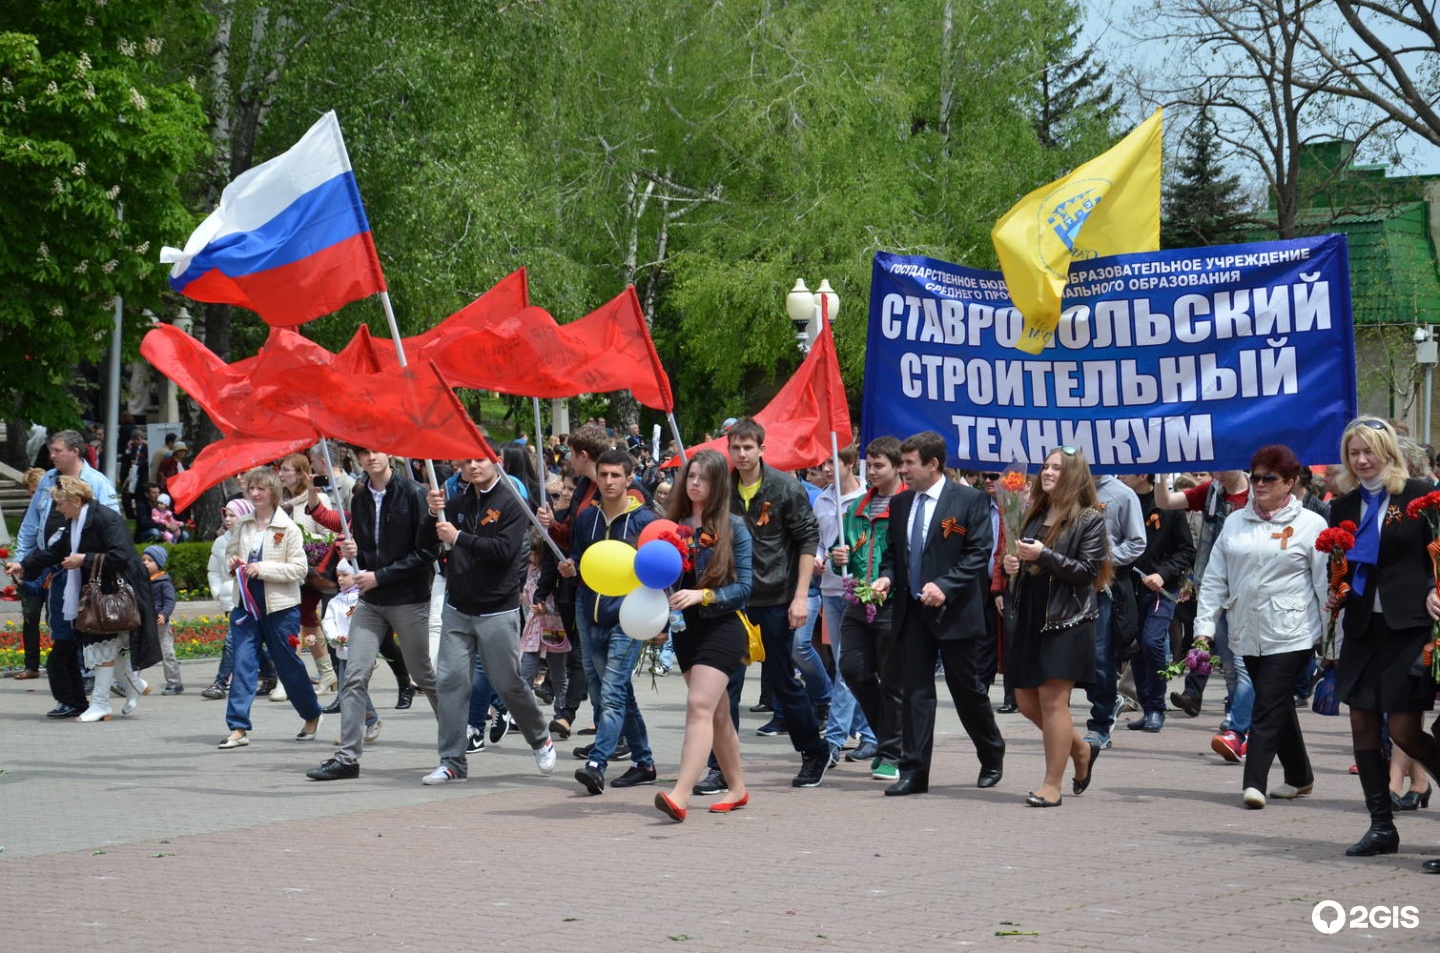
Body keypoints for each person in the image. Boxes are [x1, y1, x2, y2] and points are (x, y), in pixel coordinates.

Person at [1328, 418, 1440, 857]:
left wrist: (1437, 587)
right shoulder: (1343, 504)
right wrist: (1336, 590)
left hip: (1408, 625)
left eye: (1368, 452)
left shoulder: (1418, 494)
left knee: (1405, 730)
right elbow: (1340, 563)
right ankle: (1381, 827)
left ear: (1388, 452)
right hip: (1362, 626)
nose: (1361, 461)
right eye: (1354, 453)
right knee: (1362, 722)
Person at [872, 431, 1005, 795]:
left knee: (967, 692)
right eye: (901, 463)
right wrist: (886, 578)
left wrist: (944, 586)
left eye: (910, 464)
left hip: (955, 614)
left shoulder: (968, 500)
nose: (903, 471)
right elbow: (893, 554)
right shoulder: (901, 505)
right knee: (916, 691)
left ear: (933, 464)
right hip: (911, 612)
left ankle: (991, 750)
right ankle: (914, 771)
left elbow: (978, 554)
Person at [1194, 445, 1326, 809]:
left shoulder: (1311, 525)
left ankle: (1254, 782)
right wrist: (1203, 630)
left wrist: (1332, 644)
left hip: (1294, 631)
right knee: (1278, 705)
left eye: (1270, 478)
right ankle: (1300, 777)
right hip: (1246, 632)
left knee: (1267, 704)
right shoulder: (1236, 521)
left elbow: (1325, 586)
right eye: (1255, 476)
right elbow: (1215, 579)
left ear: (1290, 483)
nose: (1260, 483)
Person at [703, 419, 829, 793]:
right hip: (733, 600)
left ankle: (813, 752)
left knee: (783, 682)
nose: (741, 455)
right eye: (735, 448)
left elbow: (808, 540)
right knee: (726, 687)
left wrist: (801, 596)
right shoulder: (722, 487)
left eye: (748, 448)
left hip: (776, 598)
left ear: (761, 448)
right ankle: (720, 766)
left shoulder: (785, 487)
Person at [417, 451, 558, 784]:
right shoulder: (458, 500)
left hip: (498, 608)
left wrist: (460, 538)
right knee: (450, 682)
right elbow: (427, 542)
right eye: (465, 462)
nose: (473, 467)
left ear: (496, 461)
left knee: (507, 682)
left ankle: (540, 737)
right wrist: (430, 512)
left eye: (479, 460)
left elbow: (504, 551)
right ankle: (452, 761)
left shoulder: (512, 501)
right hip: (458, 606)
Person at [304, 448, 438, 780]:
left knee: (423, 675)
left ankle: (453, 741)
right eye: (363, 453)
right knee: (354, 675)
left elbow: (427, 553)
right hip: (370, 601)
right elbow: (365, 550)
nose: (371, 458)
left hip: (408, 598)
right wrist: (355, 554)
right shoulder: (361, 497)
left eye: (376, 451)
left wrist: (380, 575)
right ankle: (348, 758)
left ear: (389, 453)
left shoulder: (414, 494)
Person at [1000, 447, 1110, 806]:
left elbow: (1087, 572)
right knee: (1025, 700)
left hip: (1067, 618)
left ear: (1074, 474)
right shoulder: (1033, 512)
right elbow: (1021, 561)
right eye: (1045, 466)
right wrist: (1012, 564)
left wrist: (1043, 556)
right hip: (1031, 615)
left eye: (1056, 468)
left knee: (1052, 701)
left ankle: (1052, 785)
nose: (1047, 472)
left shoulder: (1090, 518)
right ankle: (1080, 749)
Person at [7, 476, 160, 722]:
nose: (57, 509)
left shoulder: (105, 518)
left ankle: (102, 703)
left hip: (115, 593)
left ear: (76, 500)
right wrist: (23, 565)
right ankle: (131, 687)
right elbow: (55, 551)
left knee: (102, 646)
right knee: (105, 647)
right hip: (99, 592)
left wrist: (84, 560)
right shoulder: (76, 520)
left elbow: (122, 555)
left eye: (60, 503)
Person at [653, 449, 754, 821]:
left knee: (699, 706)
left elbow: (745, 588)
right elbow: (658, 582)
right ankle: (738, 787)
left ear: (718, 484)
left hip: (723, 626)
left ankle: (680, 794)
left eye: (704, 478)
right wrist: (658, 622)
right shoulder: (670, 525)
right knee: (718, 713)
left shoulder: (733, 527)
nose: (695, 483)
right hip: (685, 630)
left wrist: (704, 594)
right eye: (691, 476)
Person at [565, 448, 660, 794]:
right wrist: (569, 568)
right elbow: (580, 559)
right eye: (602, 475)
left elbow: (660, 571)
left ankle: (597, 763)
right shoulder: (585, 519)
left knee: (613, 693)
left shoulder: (644, 521)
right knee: (609, 690)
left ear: (629, 479)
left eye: (615, 475)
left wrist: (661, 621)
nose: (607, 481)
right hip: (589, 612)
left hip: (628, 617)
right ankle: (644, 762)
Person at [14, 430, 121, 718]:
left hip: (83, 574)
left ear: (76, 451)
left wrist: (85, 558)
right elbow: (30, 524)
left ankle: (92, 694)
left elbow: (113, 532)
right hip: (53, 569)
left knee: (76, 636)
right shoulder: (48, 479)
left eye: (58, 450)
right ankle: (81, 698)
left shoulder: (98, 483)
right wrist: (23, 562)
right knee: (60, 630)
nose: (52, 456)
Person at [217, 466, 324, 750]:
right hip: (246, 608)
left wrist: (261, 568)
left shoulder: (287, 527)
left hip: (280, 609)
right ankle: (238, 727)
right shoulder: (242, 524)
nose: (254, 493)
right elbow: (230, 557)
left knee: (289, 666)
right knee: (242, 664)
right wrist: (232, 565)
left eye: (260, 488)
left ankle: (312, 714)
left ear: (273, 491)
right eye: (251, 488)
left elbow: (299, 570)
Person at [831, 435, 907, 782]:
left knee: (893, 680)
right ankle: (891, 738)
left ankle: (891, 752)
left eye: (880, 466)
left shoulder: (908, 504)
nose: (873, 471)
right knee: (853, 670)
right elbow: (839, 554)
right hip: (859, 602)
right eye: (870, 465)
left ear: (896, 467)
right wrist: (837, 558)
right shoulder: (855, 509)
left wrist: (890, 582)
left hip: (893, 604)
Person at [1118, 473, 1195, 733]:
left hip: (1160, 591)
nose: (1121, 476)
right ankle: (1148, 706)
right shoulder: (1120, 500)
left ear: (1142, 474)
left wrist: (1163, 574)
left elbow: (1186, 550)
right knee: (1135, 648)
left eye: (1127, 471)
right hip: (1127, 589)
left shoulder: (1167, 505)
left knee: (1152, 642)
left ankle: (1157, 707)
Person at [277, 452, 339, 700]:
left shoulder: (317, 496)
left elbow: (329, 534)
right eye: (280, 470)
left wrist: (306, 545)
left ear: (302, 474)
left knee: (306, 618)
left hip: (313, 569)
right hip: (291, 570)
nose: (281, 474)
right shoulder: (282, 502)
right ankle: (326, 673)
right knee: (304, 619)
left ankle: (322, 673)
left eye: (286, 470)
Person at [202, 498, 277, 699]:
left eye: (233, 515)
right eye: (226, 515)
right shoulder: (220, 542)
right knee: (245, 639)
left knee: (233, 640)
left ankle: (219, 683)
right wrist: (218, 591)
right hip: (232, 597)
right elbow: (214, 570)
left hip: (254, 598)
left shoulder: (256, 537)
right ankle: (270, 674)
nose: (228, 519)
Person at [143, 545, 182, 695]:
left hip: (161, 625)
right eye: (144, 559)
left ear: (159, 563)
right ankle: (134, 683)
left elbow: (170, 601)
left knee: (167, 654)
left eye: (150, 560)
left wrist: (164, 614)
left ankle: (174, 683)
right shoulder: (142, 581)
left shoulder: (164, 582)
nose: (145, 562)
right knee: (141, 653)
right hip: (145, 623)